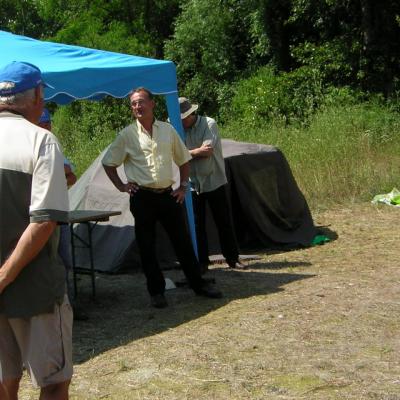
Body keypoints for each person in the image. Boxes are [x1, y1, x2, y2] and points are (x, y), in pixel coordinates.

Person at [102, 87, 222, 308]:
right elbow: (108, 163)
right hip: (142, 197)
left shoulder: (167, 130)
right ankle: (156, 292)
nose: (137, 107)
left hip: (168, 195)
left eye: (141, 102)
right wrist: (121, 185)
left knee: (183, 242)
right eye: (133, 104)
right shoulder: (127, 135)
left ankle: (199, 284)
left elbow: (184, 159)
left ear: (152, 104)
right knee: (147, 246)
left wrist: (183, 186)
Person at [0, 61, 73, 399]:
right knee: (54, 382)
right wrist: (4, 276)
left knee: (3, 381)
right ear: (37, 96)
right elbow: (44, 221)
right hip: (35, 291)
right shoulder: (41, 142)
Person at [179, 97, 246, 273]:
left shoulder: (209, 124)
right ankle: (202, 263)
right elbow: (175, 155)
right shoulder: (178, 130)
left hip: (214, 180)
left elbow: (207, 151)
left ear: (191, 114)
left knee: (223, 221)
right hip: (193, 183)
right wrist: (193, 152)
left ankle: (232, 258)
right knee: (197, 226)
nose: (181, 122)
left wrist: (186, 154)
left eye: (183, 118)